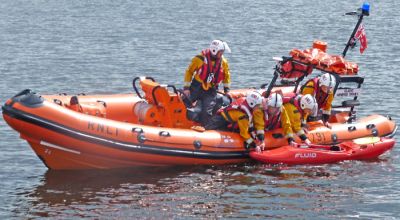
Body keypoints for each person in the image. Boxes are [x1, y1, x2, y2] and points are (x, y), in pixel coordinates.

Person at [183, 40, 231, 126]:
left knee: (207, 111)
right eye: (221, 52)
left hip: (211, 91)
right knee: (184, 102)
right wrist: (186, 88)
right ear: (214, 51)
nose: (222, 54)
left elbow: (226, 75)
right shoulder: (199, 59)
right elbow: (189, 71)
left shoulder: (223, 62)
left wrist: (226, 90)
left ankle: (204, 128)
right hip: (196, 87)